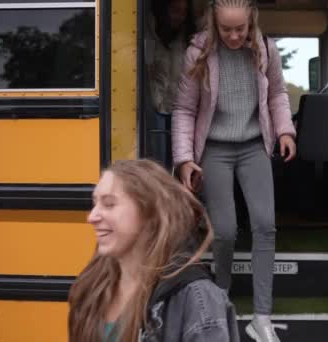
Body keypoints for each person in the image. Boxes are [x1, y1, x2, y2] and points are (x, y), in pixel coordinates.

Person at [171, 1, 297, 341]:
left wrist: (285, 130)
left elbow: (278, 95)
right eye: (226, 29)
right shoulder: (198, 54)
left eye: (240, 28)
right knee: (224, 231)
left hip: (254, 145)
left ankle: (261, 318)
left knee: (265, 224)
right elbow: (184, 110)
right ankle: (221, 301)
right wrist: (184, 159)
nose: (234, 35)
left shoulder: (265, 50)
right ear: (215, 23)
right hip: (215, 149)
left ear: (251, 20)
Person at [68, 159, 240, 342]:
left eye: (109, 204)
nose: (92, 217)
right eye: (95, 203)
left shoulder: (195, 297)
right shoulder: (92, 285)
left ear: (151, 215)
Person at [145, 0, 196, 166]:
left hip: (180, 106)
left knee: (180, 161)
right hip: (154, 106)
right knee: (158, 159)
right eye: (175, 10)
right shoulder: (147, 33)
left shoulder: (189, 38)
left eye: (184, 12)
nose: (180, 16)